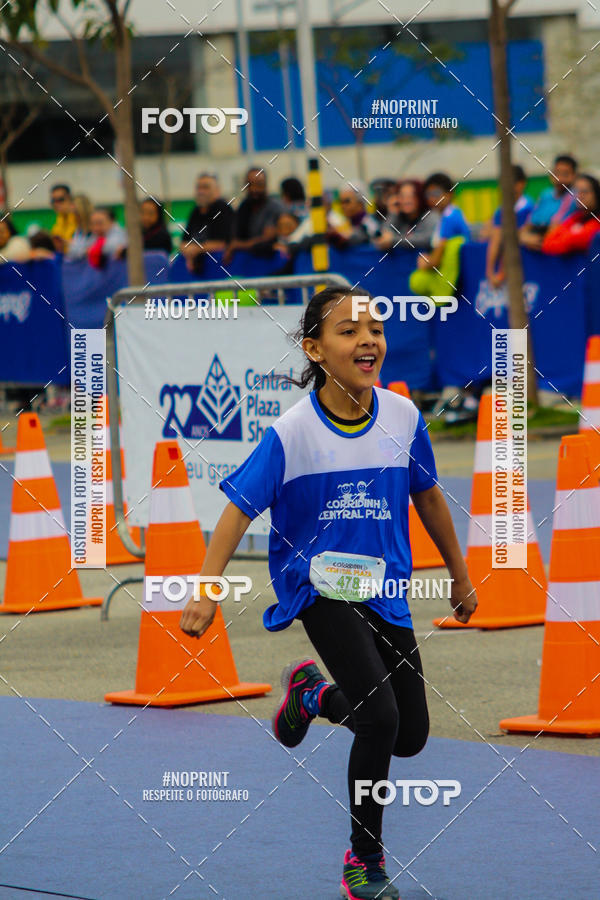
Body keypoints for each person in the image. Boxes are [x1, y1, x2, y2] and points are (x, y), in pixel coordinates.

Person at [179, 285, 477, 900]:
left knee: (411, 734)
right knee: (380, 719)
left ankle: (312, 695)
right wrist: (205, 591)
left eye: (375, 328)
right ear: (315, 349)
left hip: (385, 588)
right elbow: (237, 510)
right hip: (317, 586)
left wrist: (459, 573)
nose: (367, 339)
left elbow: (427, 497)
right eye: (348, 330)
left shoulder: (403, 417)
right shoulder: (292, 432)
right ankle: (364, 861)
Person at [408, 172, 470, 298]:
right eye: (428, 194)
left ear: (450, 194)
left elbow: (435, 261)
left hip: (457, 283)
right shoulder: (447, 215)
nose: (431, 198)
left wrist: (426, 262)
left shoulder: (449, 217)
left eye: (436, 193)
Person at [485, 165, 534, 288]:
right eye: (502, 184)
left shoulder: (529, 208)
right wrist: (490, 273)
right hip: (505, 274)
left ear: (521, 184)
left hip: (525, 271)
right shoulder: (500, 211)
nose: (504, 188)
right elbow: (495, 240)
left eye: (509, 183)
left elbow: (513, 241)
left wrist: (501, 274)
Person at [223, 168, 283, 263]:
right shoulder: (244, 207)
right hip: (247, 267)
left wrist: (237, 245)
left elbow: (266, 239)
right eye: (250, 185)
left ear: (266, 185)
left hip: (271, 263)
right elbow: (234, 236)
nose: (254, 189)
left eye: (259, 185)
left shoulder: (274, 207)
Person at [519, 154, 578, 251]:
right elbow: (527, 225)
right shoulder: (545, 195)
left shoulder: (573, 197)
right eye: (557, 173)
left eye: (565, 174)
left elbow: (554, 231)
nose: (559, 179)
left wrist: (531, 240)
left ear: (574, 176)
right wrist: (525, 238)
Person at [181, 174, 235, 273]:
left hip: (219, 268)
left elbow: (222, 243)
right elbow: (183, 242)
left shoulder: (222, 209)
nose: (201, 191)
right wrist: (189, 252)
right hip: (197, 270)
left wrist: (195, 250)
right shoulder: (195, 212)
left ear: (217, 191)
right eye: (199, 187)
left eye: (206, 187)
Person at [542, 173, 600, 255]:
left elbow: (572, 241)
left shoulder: (597, 222)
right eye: (576, 191)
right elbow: (547, 242)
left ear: (596, 194)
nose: (579, 196)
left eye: (585, 192)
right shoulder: (576, 217)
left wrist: (565, 237)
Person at [375, 179, 440, 251]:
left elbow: (426, 239)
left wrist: (394, 240)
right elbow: (384, 236)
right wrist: (392, 213)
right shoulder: (399, 217)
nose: (406, 201)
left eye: (411, 196)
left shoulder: (431, 216)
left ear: (419, 197)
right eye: (402, 196)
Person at [329, 182, 381, 248]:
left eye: (347, 201)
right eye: (341, 202)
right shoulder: (343, 225)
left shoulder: (370, 224)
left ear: (360, 202)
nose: (342, 206)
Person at [49, 184, 77, 253]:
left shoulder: (79, 217)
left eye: (60, 200)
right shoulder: (59, 219)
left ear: (70, 198)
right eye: (53, 200)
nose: (56, 204)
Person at [66, 194, 94, 261]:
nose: (73, 217)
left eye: (75, 213)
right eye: (71, 213)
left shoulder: (96, 229)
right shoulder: (78, 231)